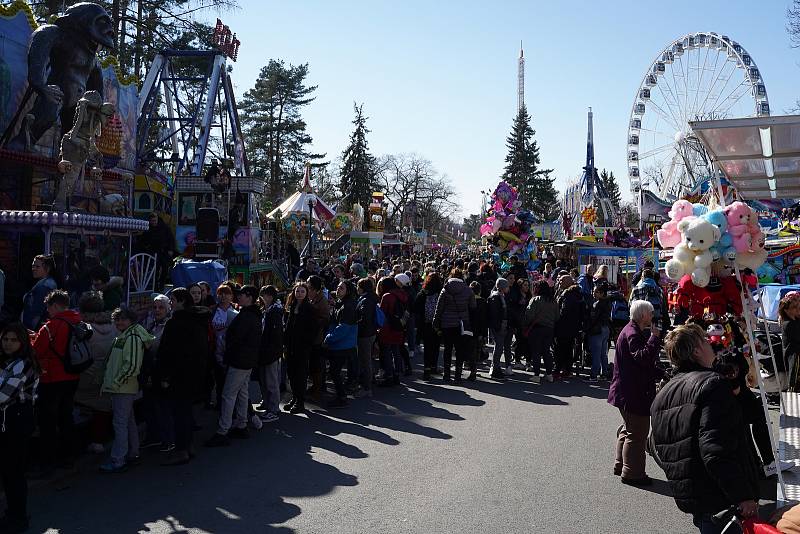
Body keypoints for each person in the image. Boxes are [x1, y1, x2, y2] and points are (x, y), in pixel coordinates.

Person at [651, 324, 762, 533]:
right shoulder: (712, 385)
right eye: (704, 340)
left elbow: (658, 446)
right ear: (696, 350)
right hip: (720, 498)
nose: (710, 344)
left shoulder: (664, 393)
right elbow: (715, 449)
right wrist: (743, 495)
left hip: (694, 493)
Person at [607, 300, 665, 486]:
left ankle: (621, 464)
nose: (652, 315)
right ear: (642, 315)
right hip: (632, 392)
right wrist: (654, 338)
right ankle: (632, 473)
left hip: (626, 390)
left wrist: (660, 372)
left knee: (628, 429)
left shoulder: (631, 330)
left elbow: (641, 363)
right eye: (650, 313)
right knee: (637, 433)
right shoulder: (633, 333)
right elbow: (642, 357)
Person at [157, 288, 212, 465]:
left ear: (181, 301)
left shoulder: (177, 323)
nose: (171, 302)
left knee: (179, 413)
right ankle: (187, 446)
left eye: (173, 299)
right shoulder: (198, 321)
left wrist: (164, 375)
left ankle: (181, 450)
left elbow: (167, 352)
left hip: (179, 375)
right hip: (195, 373)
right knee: (187, 412)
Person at [30, 290, 81, 478]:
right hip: (72, 375)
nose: (47, 311)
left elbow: (37, 351)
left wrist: (32, 337)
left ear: (55, 306)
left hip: (52, 378)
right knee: (66, 417)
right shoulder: (78, 321)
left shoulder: (51, 326)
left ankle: (47, 463)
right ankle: (69, 458)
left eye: (48, 307)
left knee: (48, 423)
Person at [99, 307, 155, 473]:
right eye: (117, 319)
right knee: (128, 421)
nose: (119, 322)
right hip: (123, 387)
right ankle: (133, 452)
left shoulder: (131, 336)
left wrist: (116, 383)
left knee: (120, 423)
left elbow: (131, 366)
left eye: (123, 319)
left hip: (123, 388)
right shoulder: (128, 335)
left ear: (131, 320)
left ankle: (118, 460)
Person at [206, 286, 262, 447]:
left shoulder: (246, 316)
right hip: (247, 360)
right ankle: (242, 424)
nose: (238, 297)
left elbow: (237, 338)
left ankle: (223, 431)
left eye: (241, 294)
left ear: (249, 297)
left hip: (240, 360)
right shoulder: (251, 313)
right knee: (242, 392)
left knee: (228, 394)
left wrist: (227, 351)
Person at [0, 323, 39, 532]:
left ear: (22, 342)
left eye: (13, 340)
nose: (8, 343)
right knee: (8, 472)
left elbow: (3, 395)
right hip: (6, 422)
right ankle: (12, 513)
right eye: (5, 339)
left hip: (17, 422)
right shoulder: (6, 361)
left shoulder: (23, 364)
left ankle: (19, 517)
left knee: (14, 473)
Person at [74, 291, 116, 455]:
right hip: (106, 373)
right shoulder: (112, 325)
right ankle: (98, 441)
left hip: (87, 375)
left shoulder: (84, 329)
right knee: (102, 406)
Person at [140, 294, 174, 453]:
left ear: (168, 309)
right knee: (150, 406)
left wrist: (166, 376)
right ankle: (153, 436)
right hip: (149, 371)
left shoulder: (170, 326)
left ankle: (168, 439)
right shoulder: (151, 324)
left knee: (163, 408)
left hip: (162, 373)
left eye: (161, 307)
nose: (157, 310)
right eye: (154, 307)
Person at [433, 268, 476, 383]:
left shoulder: (445, 289)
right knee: (459, 350)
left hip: (447, 323)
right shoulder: (468, 290)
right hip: (461, 323)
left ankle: (446, 374)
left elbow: (439, 308)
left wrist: (435, 322)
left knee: (447, 349)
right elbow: (473, 306)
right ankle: (457, 376)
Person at [324, 280, 358, 408]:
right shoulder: (341, 303)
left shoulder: (348, 305)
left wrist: (329, 337)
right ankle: (342, 394)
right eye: (338, 287)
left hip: (343, 344)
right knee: (335, 371)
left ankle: (341, 397)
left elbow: (343, 328)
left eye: (341, 288)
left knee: (334, 371)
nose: (338, 290)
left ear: (348, 291)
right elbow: (335, 322)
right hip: (343, 343)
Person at [284, 283, 314, 413]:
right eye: (298, 291)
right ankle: (294, 397)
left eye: (302, 291)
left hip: (302, 347)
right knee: (291, 374)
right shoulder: (291, 306)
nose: (300, 294)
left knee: (300, 375)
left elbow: (313, 329)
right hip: (290, 346)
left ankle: (300, 402)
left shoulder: (309, 308)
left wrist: (306, 343)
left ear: (306, 293)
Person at [523, 280, 559, 383]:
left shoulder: (535, 300)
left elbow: (529, 315)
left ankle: (536, 375)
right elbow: (557, 317)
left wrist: (525, 325)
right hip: (549, 329)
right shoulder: (553, 301)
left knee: (536, 352)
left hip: (537, 329)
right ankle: (549, 374)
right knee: (546, 352)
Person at [256, 286, 283, 423]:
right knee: (264, 380)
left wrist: (273, 351)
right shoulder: (266, 310)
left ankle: (274, 409)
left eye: (263, 295)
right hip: (264, 351)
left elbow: (275, 335)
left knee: (272, 381)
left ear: (270, 296)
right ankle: (266, 403)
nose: (261, 298)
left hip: (271, 352)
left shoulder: (275, 312)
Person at [377, 276, 408, 386]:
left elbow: (382, 313)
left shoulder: (387, 296)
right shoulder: (402, 294)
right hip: (399, 325)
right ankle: (397, 375)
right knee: (396, 351)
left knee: (386, 352)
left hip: (387, 327)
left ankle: (389, 375)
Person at [210, 285, 238, 408]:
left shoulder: (237, 310)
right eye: (220, 293)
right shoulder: (212, 310)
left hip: (231, 350)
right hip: (215, 348)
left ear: (231, 296)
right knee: (219, 378)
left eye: (226, 294)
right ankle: (219, 403)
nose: (223, 296)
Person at [554, 276, 584, 379]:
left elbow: (563, 312)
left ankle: (559, 370)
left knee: (561, 349)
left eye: (562, 280)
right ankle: (567, 370)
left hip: (564, 327)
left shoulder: (568, 295)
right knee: (568, 349)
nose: (560, 282)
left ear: (568, 282)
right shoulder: (576, 294)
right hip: (572, 327)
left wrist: (556, 317)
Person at [306, 276, 331, 400]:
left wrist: (312, 321)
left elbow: (325, 319)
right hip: (313, 336)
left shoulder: (321, 301)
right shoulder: (314, 298)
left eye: (309, 287)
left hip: (318, 337)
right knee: (314, 365)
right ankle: (316, 386)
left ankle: (318, 388)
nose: (307, 289)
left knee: (317, 365)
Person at [415, 272, 443, 381]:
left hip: (425, 324)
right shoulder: (440, 292)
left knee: (427, 347)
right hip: (437, 324)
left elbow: (415, 307)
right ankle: (434, 367)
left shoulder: (423, 293)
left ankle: (426, 370)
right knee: (436, 346)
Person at [22, 255, 58, 331]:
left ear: (47, 269)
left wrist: (31, 329)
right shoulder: (45, 283)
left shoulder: (45, 286)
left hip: (33, 328)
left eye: (37, 267)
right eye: (33, 266)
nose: (33, 269)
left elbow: (37, 312)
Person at [355, 278, 377, 396]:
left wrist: (355, 323)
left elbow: (364, 319)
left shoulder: (366, 300)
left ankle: (367, 388)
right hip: (370, 333)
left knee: (365, 360)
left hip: (365, 334)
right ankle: (367, 382)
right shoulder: (371, 297)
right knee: (366, 359)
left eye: (358, 286)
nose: (357, 288)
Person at [587, 282, 612, 381]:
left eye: (596, 292)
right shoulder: (608, 302)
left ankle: (594, 375)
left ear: (602, 293)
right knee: (603, 353)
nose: (594, 293)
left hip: (597, 329)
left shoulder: (596, 304)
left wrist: (588, 328)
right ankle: (604, 373)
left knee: (596, 353)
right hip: (606, 328)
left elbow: (593, 318)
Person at [487, 278, 510, 379]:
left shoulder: (499, 296)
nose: (508, 288)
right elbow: (495, 314)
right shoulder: (496, 297)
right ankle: (495, 368)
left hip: (501, 325)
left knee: (499, 348)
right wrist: (497, 326)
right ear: (502, 287)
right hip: (498, 326)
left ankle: (496, 367)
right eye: (507, 286)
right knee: (499, 348)